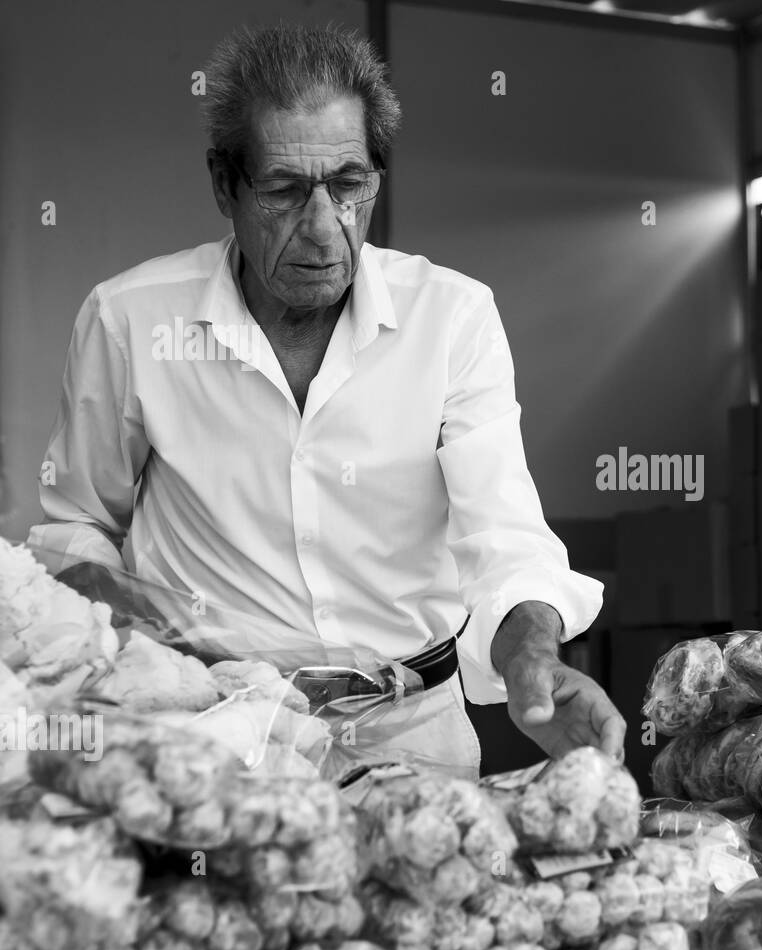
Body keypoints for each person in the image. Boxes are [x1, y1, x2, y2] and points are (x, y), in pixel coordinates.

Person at [27, 23, 624, 775]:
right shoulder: (132, 322)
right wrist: (137, 639)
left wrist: (534, 656)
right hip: (221, 737)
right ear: (225, 184)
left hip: (415, 734)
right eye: (282, 189)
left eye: (348, 185)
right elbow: (77, 522)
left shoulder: (451, 318)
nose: (322, 229)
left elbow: (504, 538)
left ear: (377, 174)